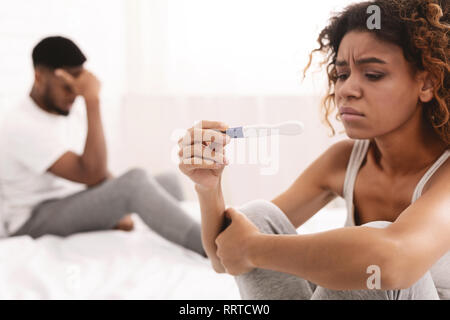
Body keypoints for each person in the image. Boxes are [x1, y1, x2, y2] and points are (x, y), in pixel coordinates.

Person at [178, 0, 449, 299]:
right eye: (342, 75)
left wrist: (253, 248)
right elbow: (223, 259)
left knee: (368, 254)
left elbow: (392, 262)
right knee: (258, 216)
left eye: (372, 75)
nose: (346, 90)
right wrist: (209, 187)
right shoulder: (344, 161)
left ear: (427, 83)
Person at [0, 36, 205, 257]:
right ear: (39, 77)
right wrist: (92, 100)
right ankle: (213, 248)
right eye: (67, 87)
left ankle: (187, 234)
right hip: (35, 219)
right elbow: (90, 172)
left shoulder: (65, 111)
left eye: (79, 88)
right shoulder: (19, 124)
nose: (74, 95)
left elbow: (96, 170)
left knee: (168, 182)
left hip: (71, 198)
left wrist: (115, 203)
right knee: (134, 184)